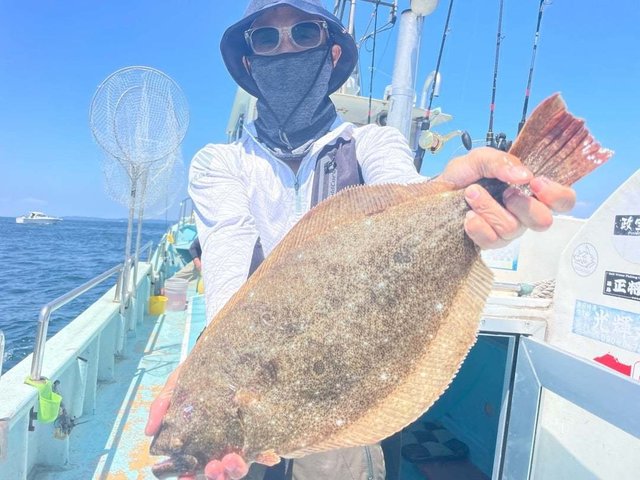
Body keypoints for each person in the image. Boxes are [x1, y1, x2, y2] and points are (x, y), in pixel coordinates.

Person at [145, 1, 576, 479]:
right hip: (265, 384)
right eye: (266, 38)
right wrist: (212, 365)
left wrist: (463, 199)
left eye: (304, 33)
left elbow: (406, 192)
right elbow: (228, 248)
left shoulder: (373, 143)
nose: (285, 49)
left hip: (348, 391)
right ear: (248, 62)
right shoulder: (219, 162)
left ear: (332, 53)